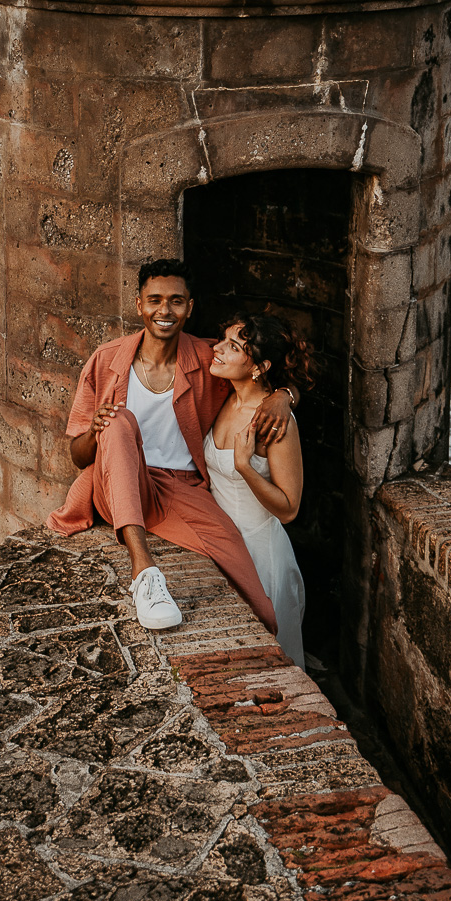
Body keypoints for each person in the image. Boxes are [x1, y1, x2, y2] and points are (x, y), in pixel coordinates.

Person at [47, 260, 300, 632]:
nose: (164, 311)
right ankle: (145, 573)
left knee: (253, 593)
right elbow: (77, 456)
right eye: (154, 300)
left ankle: (269, 647)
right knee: (119, 421)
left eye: (176, 301)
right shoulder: (106, 361)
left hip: (184, 490)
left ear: (190, 307)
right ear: (139, 305)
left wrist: (285, 395)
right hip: (119, 483)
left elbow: (257, 365)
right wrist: (95, 431)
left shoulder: (208, 359)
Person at [205, 313, 313, 668]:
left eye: (233, 347)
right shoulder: (226, 397)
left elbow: (289, 508)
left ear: (258, 366)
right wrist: (288, 392)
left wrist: (244, 468)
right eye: (223, 340)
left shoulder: (274, 421)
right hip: (221, 548)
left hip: (260, 557)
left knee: (267, 667)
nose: (217, 349)